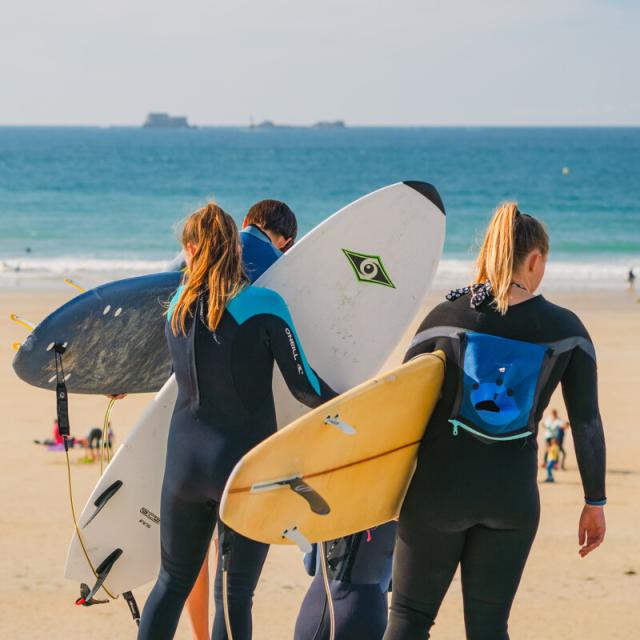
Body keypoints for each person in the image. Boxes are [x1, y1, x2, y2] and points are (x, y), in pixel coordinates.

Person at [383, 203, 606, 640]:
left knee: (408, 620)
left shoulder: (445, 318)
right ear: (535, 259)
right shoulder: (567, 330)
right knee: (488, 628)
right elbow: (587, 421)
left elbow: (399, 407)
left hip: (436, 494)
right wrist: (594, 502)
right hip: (511, 499)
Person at [137, 203, 335, 640]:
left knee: (170, 584)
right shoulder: (264, 304)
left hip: (184, 468)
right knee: (235, 594)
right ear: (235, 245)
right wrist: (358, 405)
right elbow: (304, 386)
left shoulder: (175, 307)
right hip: (243, 470)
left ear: (191, 250)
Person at [183, 198, 299, 640]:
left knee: (183, 566)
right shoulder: (277, 271)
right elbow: (297, 374)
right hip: (242, 443)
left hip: (185, 434)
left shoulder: (193, 267)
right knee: (235, 587)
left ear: (246, 223)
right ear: (285, 241)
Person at [294, 522, 396, 640]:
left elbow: (310, 565)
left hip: (315, 608)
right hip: (365, 609)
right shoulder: (398, 505)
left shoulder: (329, 503)